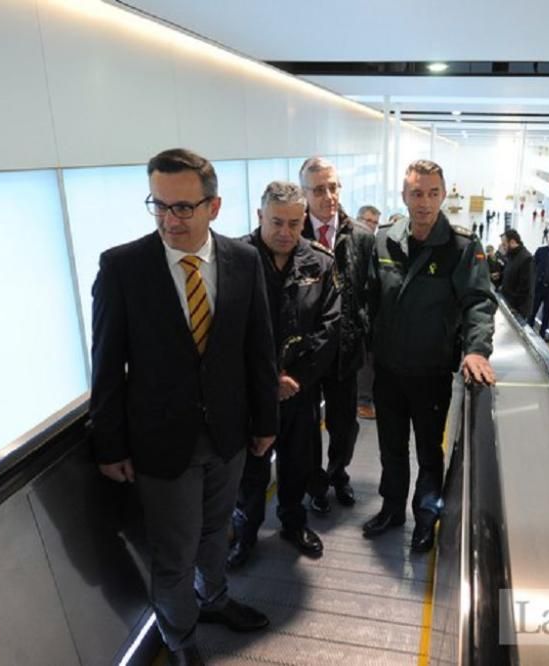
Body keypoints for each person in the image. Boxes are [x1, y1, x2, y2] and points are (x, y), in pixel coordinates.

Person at [90, 148, 278, 665]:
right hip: (160, 441)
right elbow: (106, 364)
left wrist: (266, 421)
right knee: (173, 553)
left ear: (213, 207)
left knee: (219, 530)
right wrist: (109, 444)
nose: (170, 219)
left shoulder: (243, 261)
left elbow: (259, 347)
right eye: (160, 205)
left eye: (183, 208)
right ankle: (181, 637)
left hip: (229, 433)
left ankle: (214, 598)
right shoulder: (123, 267)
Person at [364, 160, 496, 553]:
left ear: (443, 194)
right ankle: (391, 508)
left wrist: (476, 350)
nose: (424, 203)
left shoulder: (460, 246)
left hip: (431, 370)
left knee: (427, 450)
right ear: (404, 196)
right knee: (390, 446)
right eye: (416, 193)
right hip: (388, 369)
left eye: (432, 193)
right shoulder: (385, 239)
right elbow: (370, 299)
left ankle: (426, 517)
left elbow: (478, 302)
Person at [227, 182, 341, 569]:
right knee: (251, 472)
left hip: (300, 391)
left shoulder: (320, 263)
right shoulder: (234, 260)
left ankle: (294, 524)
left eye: (295, 223)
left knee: (297, 464)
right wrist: (267, 381)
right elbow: (226, 332)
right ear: (260, 216)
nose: (286, 232)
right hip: (248, 395)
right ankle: (245, 535)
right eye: (276, 222)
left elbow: (329, 327)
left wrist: (296, 379)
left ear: (304, 219)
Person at [298, 157, 375, 513]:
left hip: (345, 350)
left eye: (333, 187)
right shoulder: (292, 234)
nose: (329, 196)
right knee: (307, 424)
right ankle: (315, 483)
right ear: (304, 193)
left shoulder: (360, 235)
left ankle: (338, 473)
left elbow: (369, 290)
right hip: (307, 352)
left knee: (344, 424)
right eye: (318, 189)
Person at [354, 205, 382, 419]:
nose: (370, 225)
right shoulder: (351, 243)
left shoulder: (377, 246)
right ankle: (362, 400)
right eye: (367, 220)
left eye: (374, 222)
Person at [498, 229, 533, 321]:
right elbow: (512, 274)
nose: (503, 247)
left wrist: (515, 307)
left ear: (512, 242)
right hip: (508, 304)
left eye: (504, 244)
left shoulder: (526, 259)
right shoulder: (512, 256)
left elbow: (525, 288)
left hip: (517, 310)